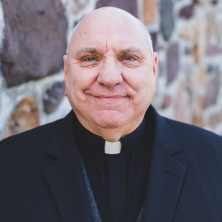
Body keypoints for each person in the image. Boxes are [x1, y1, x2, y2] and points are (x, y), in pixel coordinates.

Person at [0, 7, 222, 222]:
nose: (109, 77)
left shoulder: (216, 161)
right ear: (67, 74)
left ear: (153, 71)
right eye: (89, 58)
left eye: (128, 58)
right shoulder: (7, 166)